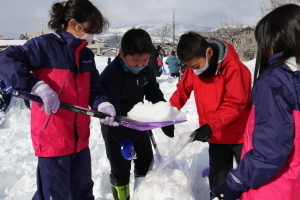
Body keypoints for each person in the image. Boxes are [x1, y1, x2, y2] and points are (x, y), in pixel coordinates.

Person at [0, 0, 118, 199]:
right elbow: (5, 59)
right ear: (73, 24)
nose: (91, 36)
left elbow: (95, 89)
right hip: (53, 138)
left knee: (82, 191)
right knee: (53, 194)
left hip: (80, 139)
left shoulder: (86, 55)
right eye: (90, 30)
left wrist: (102, 103)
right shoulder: (44, 46)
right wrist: (36, 86)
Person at [211, 4, 300, 200]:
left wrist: (236, 181)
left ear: (275, 39)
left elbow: (271, 148)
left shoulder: (274, 81)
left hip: (274, 186)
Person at [169, 31, 252, 198]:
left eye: (196, 66)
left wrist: (209, 126)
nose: (194, 71)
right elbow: (182, 91)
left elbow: (235, 103)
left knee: (246, 178)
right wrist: (168, 114)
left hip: (240, 135)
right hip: (215, 134)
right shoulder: (193, 70)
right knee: (219, 179)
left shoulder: (235, 68)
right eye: (190, 67)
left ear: (209, 52)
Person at [99, 28, 175, 200]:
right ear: (121, 54)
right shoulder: (111, 76)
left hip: (138, 124)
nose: (140, 65)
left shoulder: (146, 70)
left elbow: (153, 91)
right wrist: (122, 139)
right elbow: (110, 112)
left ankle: (142, 195)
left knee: (145, 163)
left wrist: (165, 116)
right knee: (120, 170)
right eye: (135, 61)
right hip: (115, 127)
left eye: (145, 60)